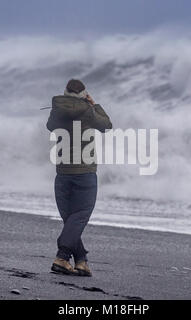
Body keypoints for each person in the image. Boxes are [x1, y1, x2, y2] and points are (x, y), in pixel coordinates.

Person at [46, 79, 112, 276]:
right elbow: (107, 125)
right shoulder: (88, 111)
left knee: (71, 219)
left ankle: (81, 260)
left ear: (65, 92)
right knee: (80, 214)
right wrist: (94, 104)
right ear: (84, 94)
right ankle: (62, 257)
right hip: (85, 173)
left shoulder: (57, 110)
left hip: (63, 173)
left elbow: (50, 126)